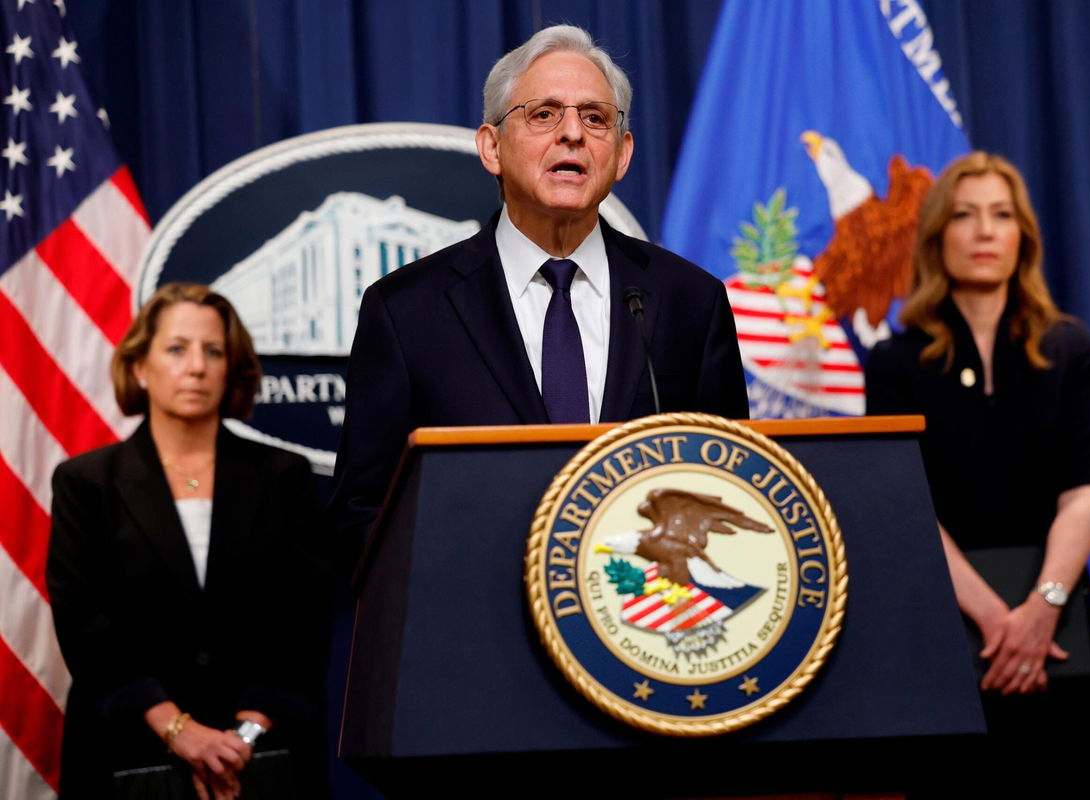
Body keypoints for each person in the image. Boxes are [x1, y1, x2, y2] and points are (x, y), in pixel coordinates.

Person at [330, 25, 748, 550]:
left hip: (644, 616)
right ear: (492, 147)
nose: (572, 133)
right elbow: (363, 511)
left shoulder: (691, 302)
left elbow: (731, 488)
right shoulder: (407, 312)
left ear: (621, 154)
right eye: (544, 114)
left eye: (595, 118)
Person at [865, 152, 1090, 796]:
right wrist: (999, 622)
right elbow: (907, 508)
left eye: (1001, 216)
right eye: (965, 215)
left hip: (1058, 630)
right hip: (946, 629)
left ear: (1022, 237)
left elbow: (1084, 495)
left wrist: (1042, 608)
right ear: (936, 236)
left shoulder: (1070, 349)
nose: (983, 231)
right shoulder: (896, 362)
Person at [48, 283, 330, 799]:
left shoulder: (284, 476)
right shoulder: (85, 482)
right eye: (177, 349)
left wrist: (241, 736)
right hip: (126, 752)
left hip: (260, 756)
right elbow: (84, 622)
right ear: (139, 367)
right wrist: (178, 730)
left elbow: (305, 615)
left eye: (213, 351)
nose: (196, 366)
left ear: (232, 368)